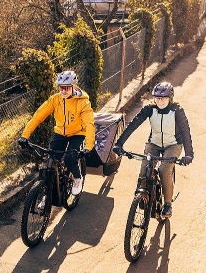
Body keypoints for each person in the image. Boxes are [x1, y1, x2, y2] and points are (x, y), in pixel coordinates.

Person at [112, 82, 193, 218]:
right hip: (154, 143)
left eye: (164, 98)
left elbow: (185, 132)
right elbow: (133, 125)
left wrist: (189, 154)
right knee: (145, 168)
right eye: (157, 98)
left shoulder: (177, 111)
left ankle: (167, 204)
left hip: (173, 145)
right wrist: (119, 144)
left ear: (170, 98)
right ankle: (142, 194)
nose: (160, 101)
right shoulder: (150, 109)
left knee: (164, 170)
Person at [17, 70, 95, 195]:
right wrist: (24, 136)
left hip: (77, 133)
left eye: (66, 88)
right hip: (60, 133)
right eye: (60, 88)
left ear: (73, 87)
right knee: (51, 162)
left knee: (70, 158)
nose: (63, 91)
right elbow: (38, 116)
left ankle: (77, 177)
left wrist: (88, 147)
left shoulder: (83, 102)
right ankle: (47, 196)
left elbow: (89, 124)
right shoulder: (55, 100)